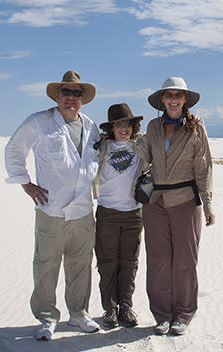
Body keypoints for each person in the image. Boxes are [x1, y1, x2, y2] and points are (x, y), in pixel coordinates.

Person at [4, 70, 101, 340]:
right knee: (46, 264)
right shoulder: (39, 122)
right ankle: (46, 317)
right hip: (51, 209)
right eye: (66, 92)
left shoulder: (91, 126)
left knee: (80, 263)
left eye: (76, 93)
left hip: (82, 210)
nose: (71, 97)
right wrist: (26, 183)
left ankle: (79, 313)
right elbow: (14, 150)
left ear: (83, 98)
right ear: (57, 95)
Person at [143, 77, 215, 336]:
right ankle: (162, 315)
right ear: (162, 99)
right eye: (169, 95)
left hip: (186, 200)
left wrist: (207, 204)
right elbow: (141, 155)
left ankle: (183, 314)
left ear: (185, 100)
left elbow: (204, 167)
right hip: (155, 203)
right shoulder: (152, 127)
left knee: (185, 260)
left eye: (178, 95)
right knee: (157, 260)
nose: (173, 99)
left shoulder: (195, 128)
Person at [93, 103, 150, 329]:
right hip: (107, 211)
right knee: (107, 262)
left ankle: (125, 306)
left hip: (133, 213)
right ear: (111, 128)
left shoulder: (141, 144)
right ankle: (110, 308)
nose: (123, 128)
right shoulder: (102, 146)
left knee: (129, 261)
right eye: (118, 124)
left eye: (126, 123)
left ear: (133, 125)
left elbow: (163, 132)